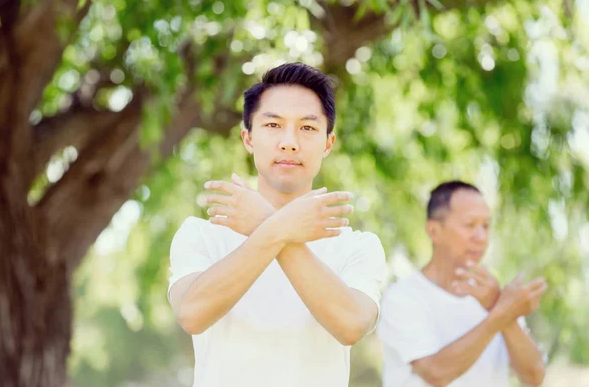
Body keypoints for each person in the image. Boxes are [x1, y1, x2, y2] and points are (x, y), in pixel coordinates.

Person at [167, 62, 386, 387]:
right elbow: (192, 313)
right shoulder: (200, 235)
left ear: (328, 143)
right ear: (248, 138)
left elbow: (352, 324)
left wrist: (266, 224)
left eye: (308, 128)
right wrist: (276, 228)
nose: (289, 142)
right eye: (273, 125)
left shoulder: (358, 246)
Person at [377, 181, 547, 387]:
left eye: (486, 225)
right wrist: (500, 314)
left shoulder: (496, 298)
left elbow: (535, 377)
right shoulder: (403, 297)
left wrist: (504, 313)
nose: (481, 237)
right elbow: (436, 373)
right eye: (470, 225)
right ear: (433, 231)